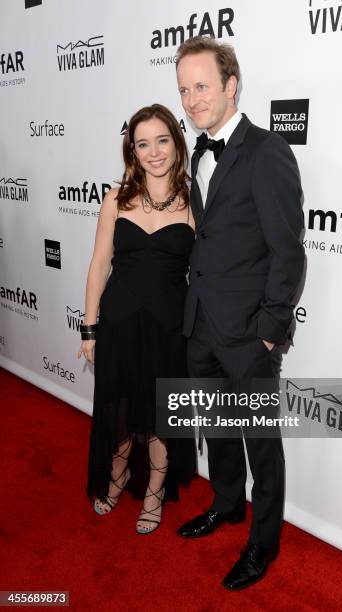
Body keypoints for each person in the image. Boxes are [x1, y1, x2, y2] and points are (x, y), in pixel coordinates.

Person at [175, 37, 305, 589]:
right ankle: (226, 505)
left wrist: (271, 332)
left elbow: (288, 248)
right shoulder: (197, 152)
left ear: (231, 85)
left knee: (260, 444)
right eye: (183, 89)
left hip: (250, 334)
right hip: (201, 324)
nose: (191, 99)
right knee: (219, 432)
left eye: (201, 86)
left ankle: (263, 544)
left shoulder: (267, 150)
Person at [79, 104, 196, 534]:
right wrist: (89, 329)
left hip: (170, 329)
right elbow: (97, 266)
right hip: (120, 324)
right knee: (121, 412)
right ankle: (118, 477)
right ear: (132, 149)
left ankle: (155, 493)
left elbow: (208, 271)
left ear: (176, 142)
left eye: (162, 140)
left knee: (164, 418)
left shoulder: (193, 200)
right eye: (142, 143)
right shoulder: (116, 199)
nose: (153, 152)